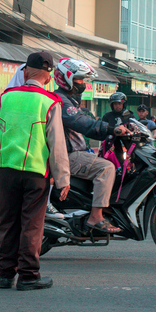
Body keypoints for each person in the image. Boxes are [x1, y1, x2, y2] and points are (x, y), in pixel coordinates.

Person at [0, 51, 70, 290]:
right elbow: (57, 144)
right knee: (32, 224)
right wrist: (63, 178)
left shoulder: (7, 97)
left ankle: (5, 274)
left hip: (6, 169)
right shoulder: (50, 102)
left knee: (6, 221)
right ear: (48, 77)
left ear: (25, 71)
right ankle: (28, 275)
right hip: (35, 173)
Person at [54, 57, 130, 234]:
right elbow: (84, 124)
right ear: (67, 79)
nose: (82, 83)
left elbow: (87, 123)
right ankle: (95, 216)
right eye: (79, 80)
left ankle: (102, 206)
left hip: (74, 151)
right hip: (68, 154)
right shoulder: (62, 102)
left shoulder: (69, 100)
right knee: (106, 168)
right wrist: (112, 129)